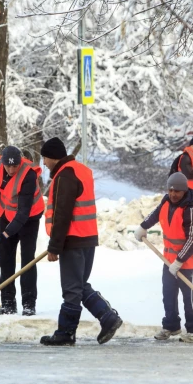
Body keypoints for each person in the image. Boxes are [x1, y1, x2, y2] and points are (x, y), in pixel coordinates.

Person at [39, 137, 123, 346]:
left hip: (73, 239)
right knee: (79, 284)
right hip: (87, 237)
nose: (44, 163)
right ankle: (107, 317)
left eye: (45, 158)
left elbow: (62, 214)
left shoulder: (64, 176)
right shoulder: (80, 171)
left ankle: (66, 333)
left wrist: (54, 247)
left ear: (53, 157)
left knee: (71, 288)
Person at [134, 173, 193, 343]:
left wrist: (180, 261)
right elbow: (155, 214)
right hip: (169, 259)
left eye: (177, 191)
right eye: (170, 190)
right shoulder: (166, 202)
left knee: (190, 296)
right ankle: (172, 325)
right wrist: (143, 227)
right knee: (169, 293)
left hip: (189, 261)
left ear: (184, 190)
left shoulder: (191, 209)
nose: (173, 194)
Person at [0, 146, 45, 315]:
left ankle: (28, 302)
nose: (11, 169)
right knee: (5, 257)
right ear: (3, 162)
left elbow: (23, 213)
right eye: (8, 166)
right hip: (7, 214)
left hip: (29, 217)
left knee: (27, 259)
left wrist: (3, 235)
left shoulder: (29, 175)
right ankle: (7, 300)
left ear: (20, 161)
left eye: (15, 165)